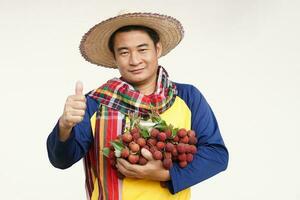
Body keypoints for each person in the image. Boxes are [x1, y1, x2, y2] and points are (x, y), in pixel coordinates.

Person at [47, 12, 229, 200]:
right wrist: (65, 126)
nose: (134, 60)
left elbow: (216, 155)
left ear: (157, 49)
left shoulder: (187, 97)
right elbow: (61, 160)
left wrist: (166, 175)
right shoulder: (95, 102)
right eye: (124, 52)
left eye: (142, 49)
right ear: (114, 57)